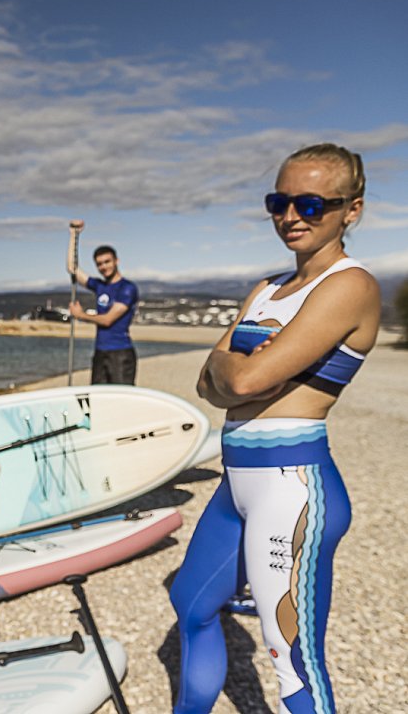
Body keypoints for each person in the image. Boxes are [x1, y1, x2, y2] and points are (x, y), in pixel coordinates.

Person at [170, 143, 379, 714]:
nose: (292, 216)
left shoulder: (350, 285)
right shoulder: (265, 289)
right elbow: (207, 384)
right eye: (279, 202)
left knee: (293, 662)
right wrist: (235, 370)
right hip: (237, 483)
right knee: (190, 604)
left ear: (350, 210)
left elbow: (236, 384)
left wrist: (235, 367)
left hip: (293, 488)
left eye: (311, 204)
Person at [66, 223, 139, 384]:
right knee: (98, 399)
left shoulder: (127, 288)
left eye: (107, 261)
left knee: (120, 400)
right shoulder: (100, 286)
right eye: (99, 264)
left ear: (116, 261)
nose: (103, 266)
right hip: (100, 352)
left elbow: (108, 320)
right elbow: (72, 268)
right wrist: (73, 235)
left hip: (121, 354)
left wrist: (80, 315)